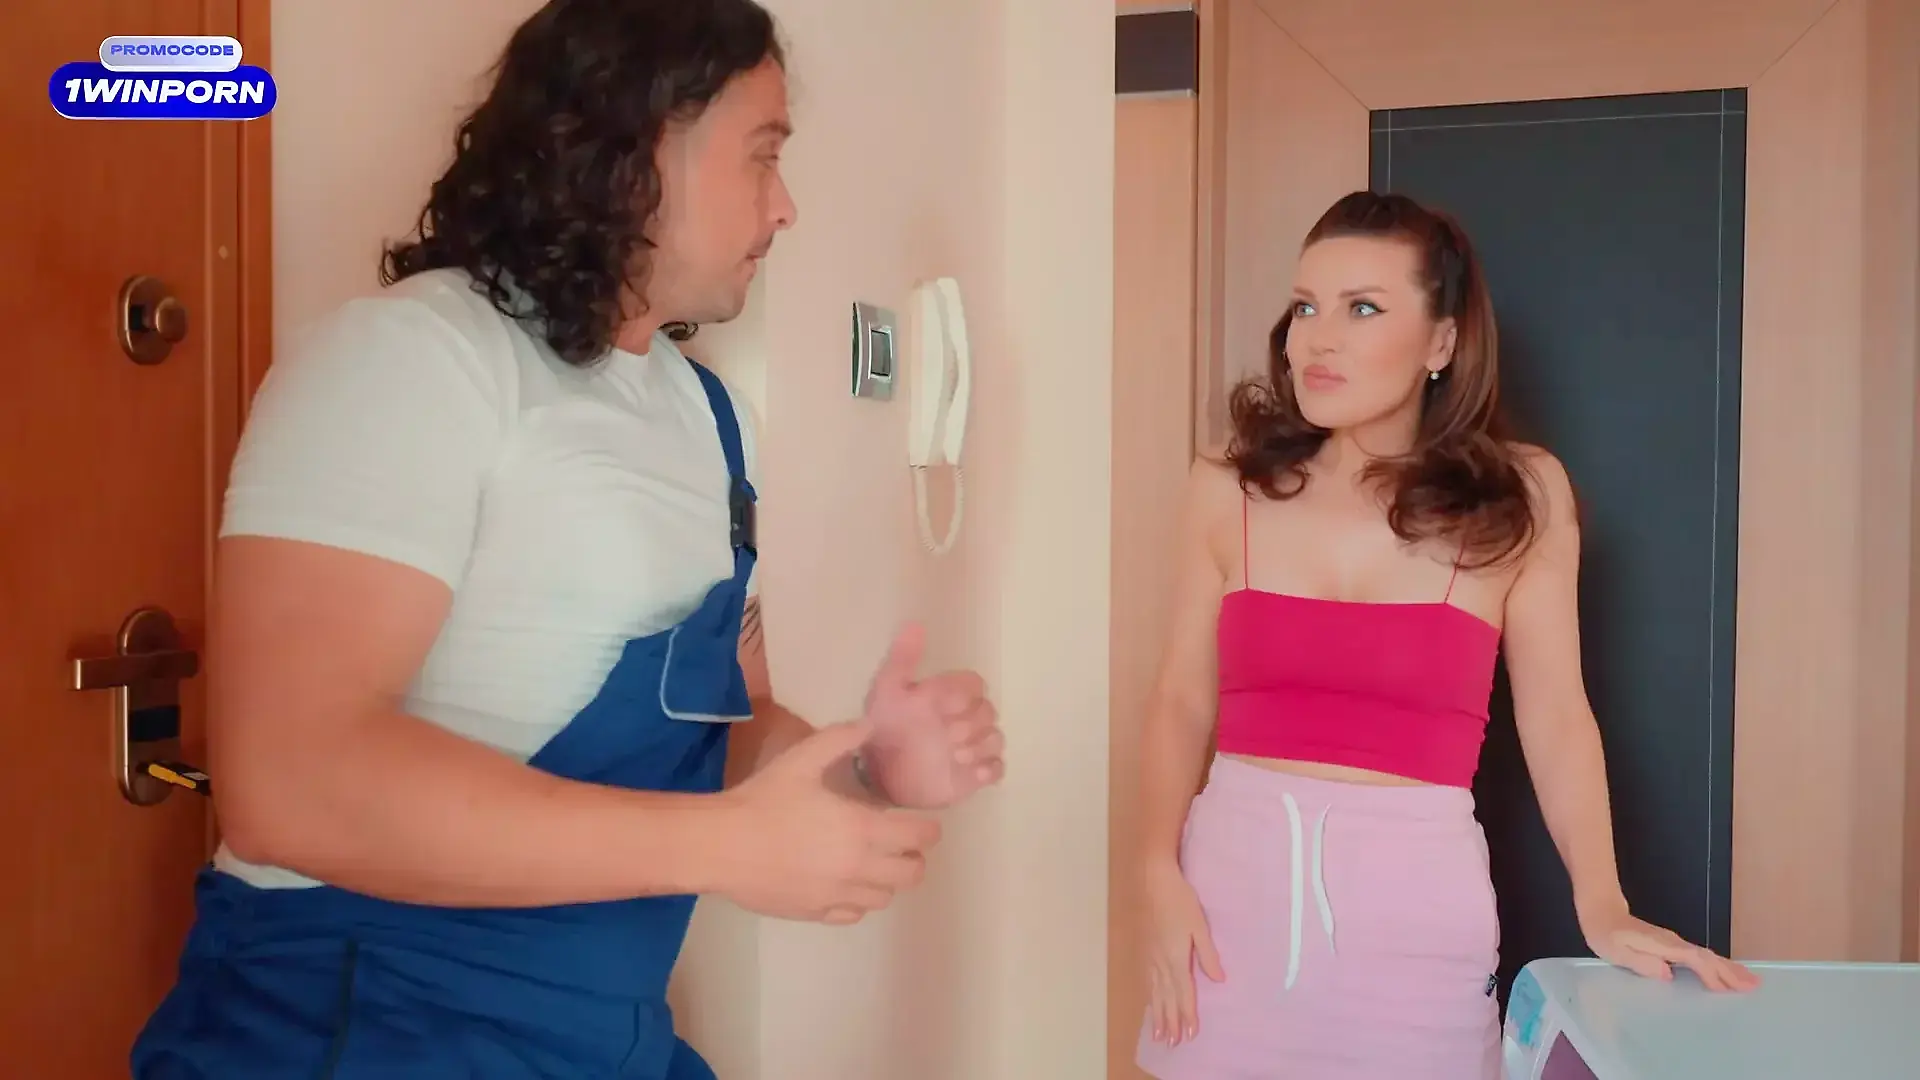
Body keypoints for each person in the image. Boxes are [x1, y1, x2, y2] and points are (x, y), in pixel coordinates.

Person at [129, 2, 1005, 1077]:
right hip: (362, 1025)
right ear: (633, 149)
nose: (786, 207)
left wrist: (866, 766)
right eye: (763, 155)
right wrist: (726, 847)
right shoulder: (412, 360)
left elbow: (732, 718)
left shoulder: (712, 420)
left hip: (600, 1035)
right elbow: (289, 780)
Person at [1133, 190, 1757, 1080]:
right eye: (1305, 307)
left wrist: (1604, 904)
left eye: (1363, 308)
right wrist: (1156, 871)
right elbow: (1180, 698)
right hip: (1229, 910)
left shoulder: (1523, 496)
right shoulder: (1225, 485)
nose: (1318, 339)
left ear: (1442, 343)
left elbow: (1557, 715)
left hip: (1417, 917)